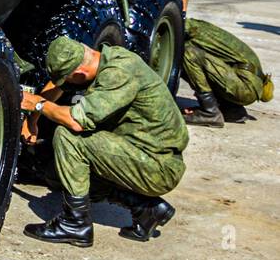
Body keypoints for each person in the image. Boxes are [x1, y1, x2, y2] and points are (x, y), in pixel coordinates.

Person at [20, 36, 187, 246]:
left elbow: (76, 121)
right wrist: (32, 120)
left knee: (68, 137)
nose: (66, 87)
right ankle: (145, 208)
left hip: (158, 166)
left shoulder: (118, 73)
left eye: (69, 80)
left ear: (79, 73)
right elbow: (59, 84)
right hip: (144, 153)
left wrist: (37, 105)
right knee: (57, 174)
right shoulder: (104, 58)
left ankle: (75, 225)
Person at [181, 18, 273, 126]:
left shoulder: (193, 29)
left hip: (245, 86)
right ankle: (231, 109)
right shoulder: (200, 29)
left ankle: (210, 112)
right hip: (246, 84)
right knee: (196, 59)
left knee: (187, 53)